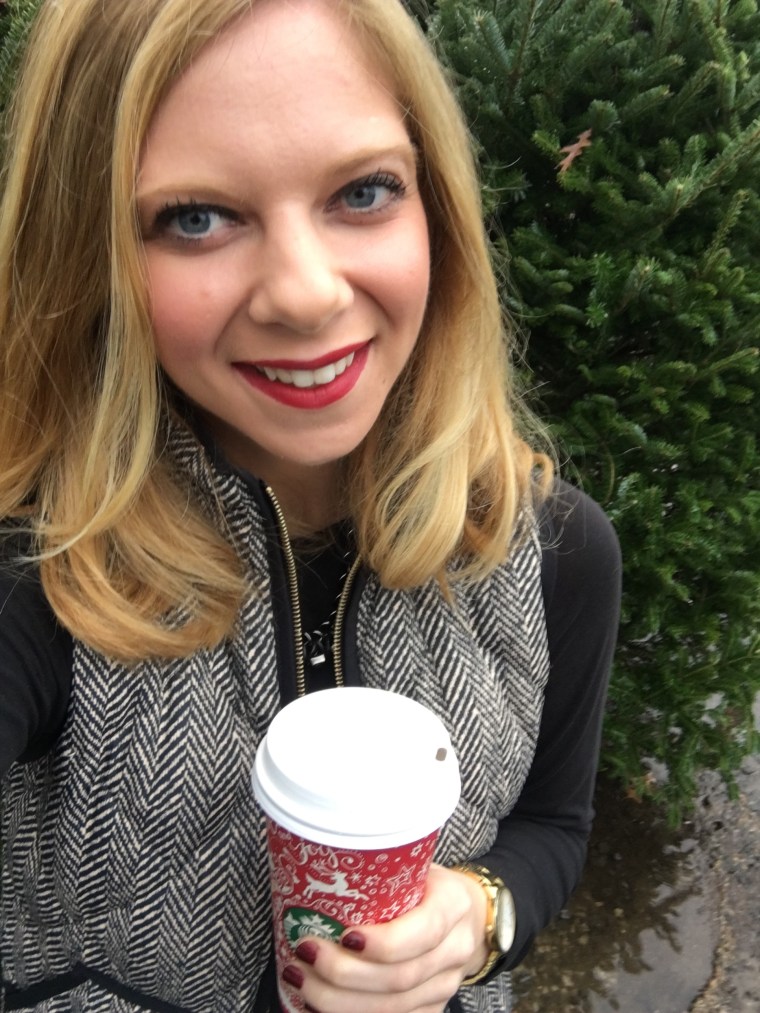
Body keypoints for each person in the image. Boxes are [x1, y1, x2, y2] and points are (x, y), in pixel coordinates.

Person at [0, 0, 621, 1011]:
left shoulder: (553, 547)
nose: (305, 293)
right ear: (91, 251)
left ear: (435, 205)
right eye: (195, 217)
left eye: (363, 192)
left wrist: (479, 914)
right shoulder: (40, 571)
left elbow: (553, 826)